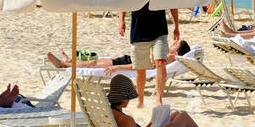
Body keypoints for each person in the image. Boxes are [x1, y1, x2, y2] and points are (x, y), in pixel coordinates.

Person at [117, 0, 180, 108]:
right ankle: (140, 100)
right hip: (139, 30)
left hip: (159, 30)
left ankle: (158, 98)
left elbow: (173, 5)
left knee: (160, 62)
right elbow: (125, 0)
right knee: (140, 69)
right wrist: (122, 21)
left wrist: (177, 26)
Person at [105, 74, 210, 127]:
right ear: (123, 98)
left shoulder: (112, 113)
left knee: (175, 115)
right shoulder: (126, 120)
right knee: (183, 116)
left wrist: (151, 126)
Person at [47, 40, 192, 75]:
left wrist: (117, 67)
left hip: (128, 63)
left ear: (176, 52)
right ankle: (69, 62)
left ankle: (63, 65)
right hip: (129, 58)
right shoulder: (165, 56)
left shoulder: (163, 60)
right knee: (93, 62)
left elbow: (141, 66)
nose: (172, 43)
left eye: (175, 44)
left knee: (92, 63)